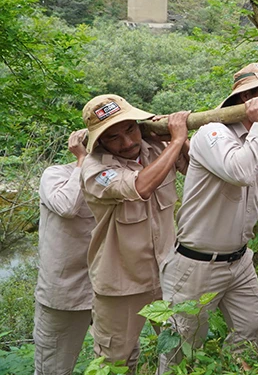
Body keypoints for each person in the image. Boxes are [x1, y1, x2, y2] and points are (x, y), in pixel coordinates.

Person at [159, 63, 258, 371]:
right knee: (181, 349)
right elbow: (240, 171)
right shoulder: (212, 133)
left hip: (239, 262)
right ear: (246, 99)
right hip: (197, 264)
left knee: (252, 331)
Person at [80, 94, 190, 372]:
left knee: (178, 349)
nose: (128, 142)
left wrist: (178, 138)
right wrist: (175, 141)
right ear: (100, 141)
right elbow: (140, 187)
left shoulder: (155, 148)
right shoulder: (95, 169)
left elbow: (195, 168)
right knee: (116, 360)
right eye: (114, 137)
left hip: (167, 273)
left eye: (131, 129)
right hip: (121, 284)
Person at [34, 129, 96, 375]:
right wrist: (83, 161)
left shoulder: (114, 177)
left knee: (117, 362)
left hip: (106, 288)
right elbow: (67, 206)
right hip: (65, 294)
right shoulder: (55, 174)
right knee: (54, 368)